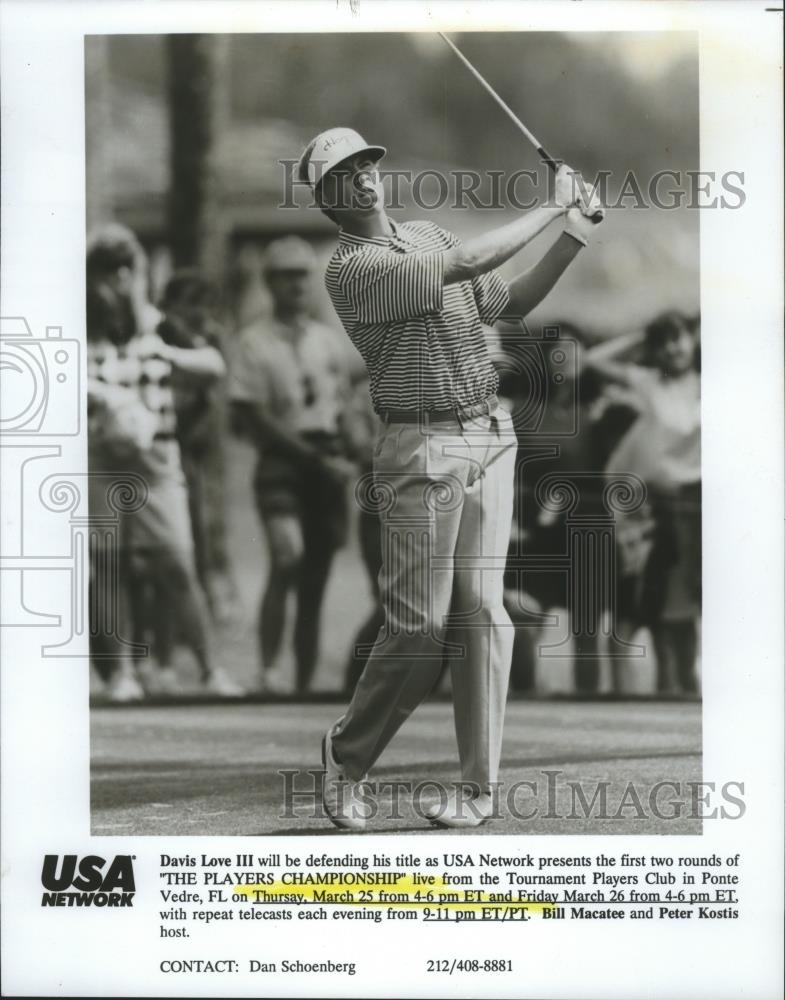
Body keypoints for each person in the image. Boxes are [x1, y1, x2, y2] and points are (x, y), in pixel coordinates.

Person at [296, 126, 604, 829]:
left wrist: (574, 232)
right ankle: (346, 755)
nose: (362, 176)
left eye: (367, 162)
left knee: (483, 613)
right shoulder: (349, 268)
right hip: (419, 446)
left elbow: (507, 301)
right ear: (325, 199)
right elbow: (468, 262)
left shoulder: (428, 235)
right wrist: (551, 204)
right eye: (342, 173)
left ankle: (477, 790)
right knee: (418, 625)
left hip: (490, 434)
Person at [86, 223, 244, 700]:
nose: (110, 286)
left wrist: (170, 355)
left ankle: (212, 670)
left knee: (176, 563)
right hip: (102, 457)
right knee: (109, 563)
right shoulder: (79, 327)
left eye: (120, 273)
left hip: (158, 458)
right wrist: (104, 395)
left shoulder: (160, 325)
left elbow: (213, 365)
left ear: (131, 274)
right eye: (101, 275)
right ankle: (121, 675)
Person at [230, 236, 354, 694]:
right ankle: (267, 669)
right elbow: (252, 416)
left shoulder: (327, 341)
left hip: (326, 458)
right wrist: (313, 457)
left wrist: (348, 450)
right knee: (287, 556)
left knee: (316, 576)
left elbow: (341, 405)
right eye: (285, 275)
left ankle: (302, 683)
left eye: (302, 274)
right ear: (269, 283)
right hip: (284, 459)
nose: (295, 284)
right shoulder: (253, 342)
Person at [585, 310, 701, 695]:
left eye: (679, 337)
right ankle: (675, 694)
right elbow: (594, 360)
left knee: (700, 610)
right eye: (664, 341)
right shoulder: (650, 383)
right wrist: (641, 334)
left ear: (694, 339)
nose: (673, 348)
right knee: (670, 612)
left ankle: (700, 690)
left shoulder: (712, 381)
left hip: (706, 506)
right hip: (664, 510)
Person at [158, 270, 237, 624]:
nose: (200, 312)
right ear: (171, 305)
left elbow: (216, 392)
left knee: (207, 521)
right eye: (192, 303)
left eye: (206, 304)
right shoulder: (161, 336)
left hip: (201, 440)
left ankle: (209, 594)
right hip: (169, 441)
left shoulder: (210, 339)